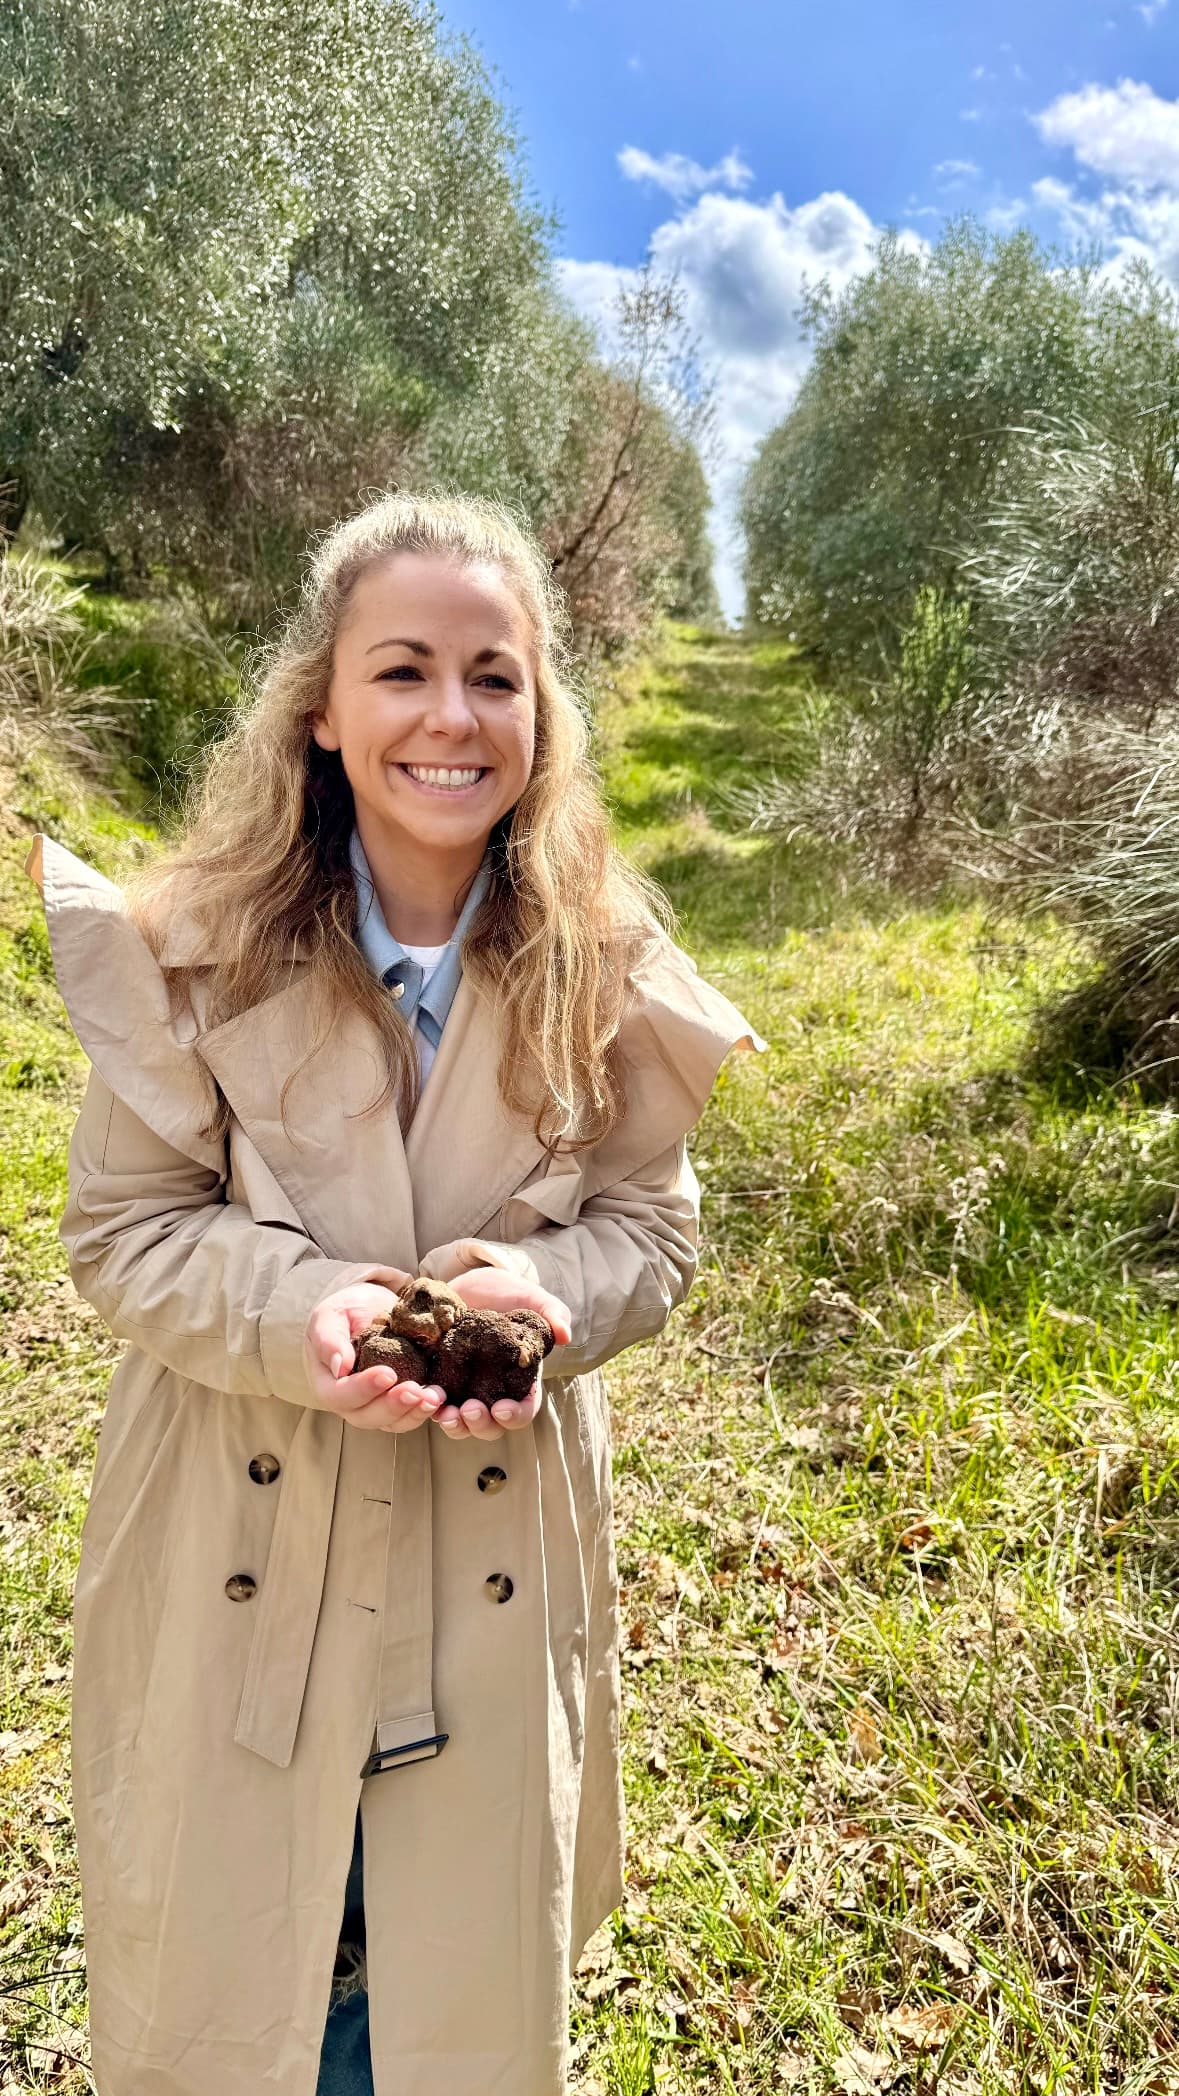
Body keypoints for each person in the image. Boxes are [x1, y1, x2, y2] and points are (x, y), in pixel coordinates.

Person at [27, 490, 767, 2096]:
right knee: (252, 1964)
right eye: (404, 669)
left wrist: (553, 1284)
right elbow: (124, 1229)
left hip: (491, 1557)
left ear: (542, 714)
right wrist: (295, 1310)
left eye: (495, 676)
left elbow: (653, 1224)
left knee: (445, 1994)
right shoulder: (188, 954)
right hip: (243, 1535)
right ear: (323, 705)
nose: (452, 717)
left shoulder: (610, 962)